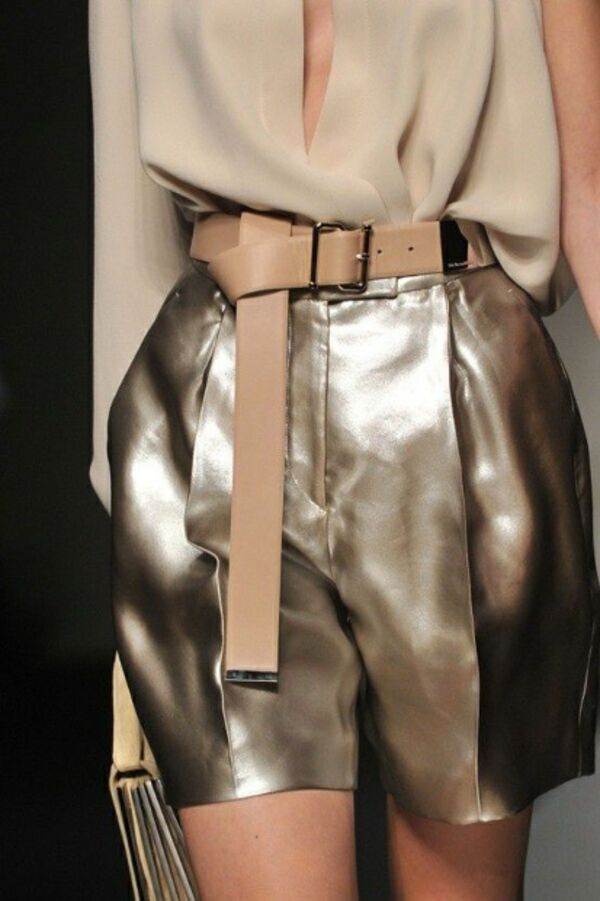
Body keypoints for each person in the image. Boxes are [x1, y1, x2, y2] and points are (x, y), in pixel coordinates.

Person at [88, 1, 600, 898]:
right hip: (216, 404)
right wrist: (128, 499)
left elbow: (589, 185)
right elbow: (129, 217)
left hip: (457, 389)